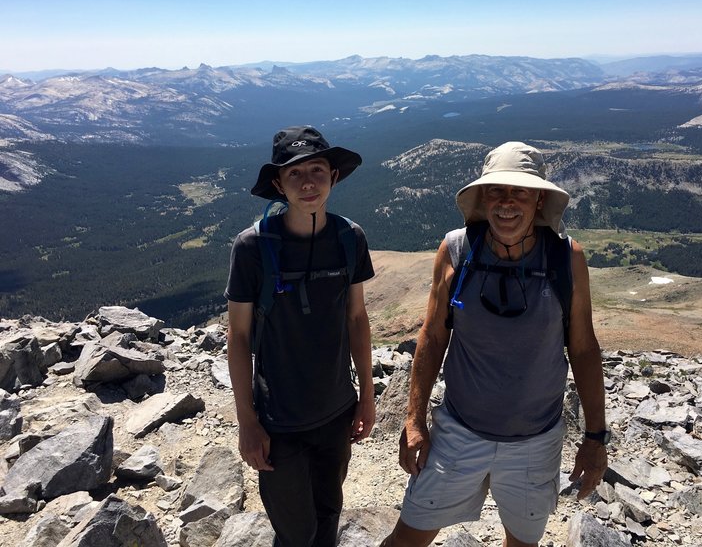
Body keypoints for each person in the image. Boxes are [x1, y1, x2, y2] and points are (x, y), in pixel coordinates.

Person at [381, 141, 608, 547]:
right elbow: (433, 338)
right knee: (407, 539)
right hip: (459, 433)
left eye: (520, 191)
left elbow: (584, 350)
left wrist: (595, 439)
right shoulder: (455, 250)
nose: (507, 202)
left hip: (536, 443)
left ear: (539, 200)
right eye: (496, 191)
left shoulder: (565, 258)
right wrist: (414, 421)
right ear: (483, 197)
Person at [225, 126, 375, 546]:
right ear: (278, 184)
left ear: (334, 176)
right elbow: (237, 337)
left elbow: (357, 318)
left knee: (329, 514)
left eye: (317, 170)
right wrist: (247, 422)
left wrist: (366, 395)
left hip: (336, 411)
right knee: (295, 531)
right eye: (294, 174)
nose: (308, 182)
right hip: (279, 420)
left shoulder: (350, 238)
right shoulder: (252, 247)